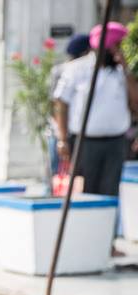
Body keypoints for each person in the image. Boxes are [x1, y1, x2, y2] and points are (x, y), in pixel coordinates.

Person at [54, 22, 138, 196]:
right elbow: (61, 103)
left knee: (112, 192)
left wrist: (126, 69)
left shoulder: (121, 71)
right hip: (86, 142)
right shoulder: (77, 69)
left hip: (116, 142)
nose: (120, 50)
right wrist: (62, 139)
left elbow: (135, 100)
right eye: (117, 46)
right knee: (87, 191)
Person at [48, 35, 91, 177]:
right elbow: (56, 102)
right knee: (64, 173)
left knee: (61, 173)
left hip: (64, 129)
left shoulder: (62, 69)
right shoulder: (65, 70)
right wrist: (62, 135)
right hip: (65, 130)